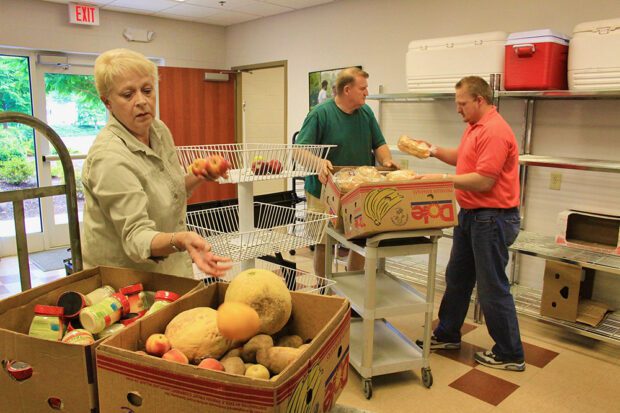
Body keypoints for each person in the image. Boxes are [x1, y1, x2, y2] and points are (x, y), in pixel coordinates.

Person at [81, 48, 232, 278]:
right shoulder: (109, 157)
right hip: (126, 284)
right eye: (128, 94)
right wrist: (181, 239)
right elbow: (136, 237)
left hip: (169, 271)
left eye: (147, 90)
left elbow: (171, 191)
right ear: (107, 102)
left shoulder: (158, 131)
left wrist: (199, 175)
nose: (142, 101)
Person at [413, 76, 524, 371]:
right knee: (458, 277)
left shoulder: (495, 131)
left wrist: (442, 181)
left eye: (462, 104)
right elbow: (463, 160)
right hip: (471, 216)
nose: (458, 109)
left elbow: (484, 181)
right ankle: (448, 334)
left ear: (480, 100)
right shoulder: (475, 128)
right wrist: (432, 150)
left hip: (492, 218)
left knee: (491, 286)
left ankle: (510, 353)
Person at [296, 67, 398, 278]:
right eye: (363, 88)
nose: (367, 93)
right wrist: (318, 163)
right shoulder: (320, 114)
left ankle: (354, 290)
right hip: (324, 192)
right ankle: (325, 290)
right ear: (347, 89)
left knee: (359, 240)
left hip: (358, 191)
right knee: (324, 243)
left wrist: (387, 160)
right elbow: (299, 150)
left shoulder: (366, 113)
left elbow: (379, 144)